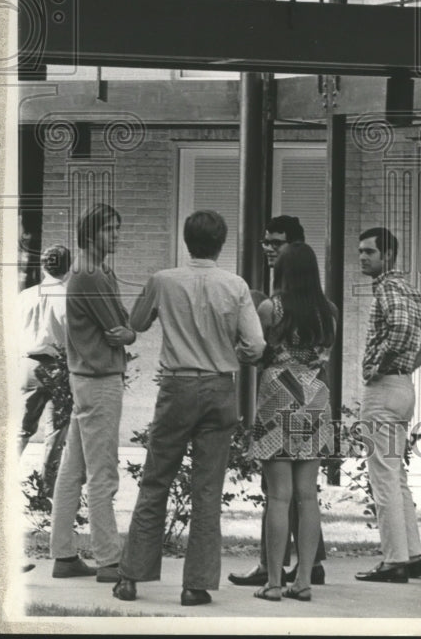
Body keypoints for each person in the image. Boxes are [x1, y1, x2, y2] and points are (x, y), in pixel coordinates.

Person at [112, 210, 264, 606]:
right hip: (219, 386)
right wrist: (230, 352)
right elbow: (256, 346)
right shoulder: (236, 285)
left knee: (156, 480)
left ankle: (131, 577)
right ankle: (195, 585)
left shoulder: (163, 280)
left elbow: (138, 322)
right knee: (208, 489)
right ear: (221, 244)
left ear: (186, 240)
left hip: (177, 386)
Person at [228, 213, 333, 589]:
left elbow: (254, 352)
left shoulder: (271, 308)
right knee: (308, 497)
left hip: (278, 395)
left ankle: (272, 582)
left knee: (277, 497)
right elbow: (323, 354)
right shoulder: (328, 311)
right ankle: (304, 580)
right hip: (316, 397)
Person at [355, 227, 421, 584]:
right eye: (361, 252)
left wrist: (377, 362)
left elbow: (399, 327)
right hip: (402, 386)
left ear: (388, 256)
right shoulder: (405, 287)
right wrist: (414, 360)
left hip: (384, 387)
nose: (363, 257)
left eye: (370, 252)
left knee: (383, 477)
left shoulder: (389, 287)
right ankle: (410, 555)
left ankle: (394, 560)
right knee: (397, 475)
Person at [50, 203, 136, 582]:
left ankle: (64, 555)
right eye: (108, 230)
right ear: (90, 234)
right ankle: (108, 560)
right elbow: (120, 325)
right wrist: (131, 332)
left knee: (74, 470)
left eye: (117, 228)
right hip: (99, 379)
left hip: (85, 377)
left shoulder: (93, 271)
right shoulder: (91, 274)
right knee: (103, 474)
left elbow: (123, 325)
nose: (115, 235)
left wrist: (128, 330)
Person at [18, 243, 72, 492]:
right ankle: (47, 488)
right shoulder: (70, 298)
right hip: (58, 367)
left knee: (20, 429)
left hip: (28, 365)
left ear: (43, 266)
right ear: (68, 268)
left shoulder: (26, 296)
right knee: (56, 431)